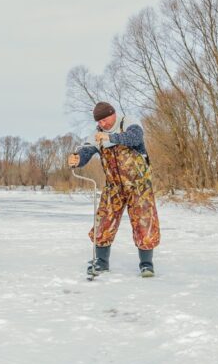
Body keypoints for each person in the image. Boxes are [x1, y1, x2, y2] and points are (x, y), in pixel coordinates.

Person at [67, 102, 160, 278]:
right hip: (114, 187)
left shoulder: (129, 123)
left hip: (139, 186)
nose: (102, 124)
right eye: (99, 121)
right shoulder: (97, 136)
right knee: (103, 223)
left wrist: (111, 138)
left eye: (105, 119)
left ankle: (146, 265)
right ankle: (101, 263)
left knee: (145, 224)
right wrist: (77, 159)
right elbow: (86, 151)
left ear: (113, 114)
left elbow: (135, 138)